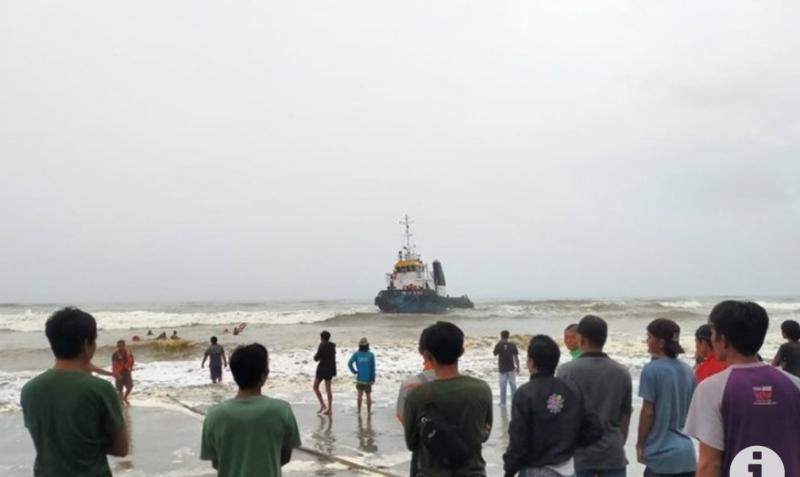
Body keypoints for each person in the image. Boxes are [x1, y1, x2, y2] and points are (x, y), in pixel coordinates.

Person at [685, 301, 800, 476]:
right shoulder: (794, 384)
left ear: (723, 339)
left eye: (713, 333)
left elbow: (709, 465)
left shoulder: (711, 389)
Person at [20, 307, 129, 476]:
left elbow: (46, 440)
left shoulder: (30, 390)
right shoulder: (100, 389)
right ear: (86, 344)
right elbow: (121, 449)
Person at [504, 335, 602, 477]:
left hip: (535, 469)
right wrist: (569, 444)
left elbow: (518, 440)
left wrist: (509, 471)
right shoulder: (572, 388)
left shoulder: (525, 393)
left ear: (531, 363)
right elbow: (594, 429)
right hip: (568, 468)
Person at [404, 321, 493, 476]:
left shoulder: (417, 395)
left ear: (427, 355)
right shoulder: (482, 390)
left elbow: (411, 443)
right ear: (462, 351)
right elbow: (484, 434)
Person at [201, 343, 301, 477]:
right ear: (264, 374)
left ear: (235, 374)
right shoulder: (282, 411)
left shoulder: (214, 416)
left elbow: (217, 463)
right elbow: (284, 457)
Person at [557, 315, 633, 477]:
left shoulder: (566, 372)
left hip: (580, 455)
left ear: (581, 339)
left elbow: (561, 415)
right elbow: (625, 415)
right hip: (613, 453)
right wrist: (619, 442)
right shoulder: (622, 372)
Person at [635, 319, 696, 477]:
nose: (647, 341)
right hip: (687, 454)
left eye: (649, 337)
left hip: (661, 453)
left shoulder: (651, 370)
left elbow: (648, 412)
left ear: (660, 342)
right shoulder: (688, 371)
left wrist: (640, 444)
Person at [396, 333, 437, 477]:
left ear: (422, 352)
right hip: (462, 459)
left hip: (423, 453)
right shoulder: (477, 389)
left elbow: (402, 417)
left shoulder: (410, 385)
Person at [347, 337, 376, 414]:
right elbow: (373, 368)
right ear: (367, 345)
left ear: (359, 346)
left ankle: (359, 411)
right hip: (368, 379)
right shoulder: (371, 355)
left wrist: (354, 371)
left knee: (359, 395)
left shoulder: (356, 354)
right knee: (368, 395)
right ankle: (369, 411)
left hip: (360, 378)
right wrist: (373, 378)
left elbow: (349, 363)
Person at [313, 330, 337, 415]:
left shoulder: (322, 345)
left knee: (315, 387)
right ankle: (329, 409)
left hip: (322, 369)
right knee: (328, 390)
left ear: (322, 338)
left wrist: (317, 357)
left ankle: (323, 405)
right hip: (330, 369)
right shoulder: (332, 346)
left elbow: (316, 358)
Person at [494, 330, 520, 405]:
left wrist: (499, 343)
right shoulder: (512, 345)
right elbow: (516, 357)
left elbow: (495, 353)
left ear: (501, 336)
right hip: (511, 368)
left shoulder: (499, 345)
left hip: (502, 368)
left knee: (502, 386)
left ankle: (503, 402)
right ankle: (514, 402)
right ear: (508, 336)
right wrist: (518, 367)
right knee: (513, 385)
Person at [112, 339, 135, 405]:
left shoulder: (129, 353)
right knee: (120, 389)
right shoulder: (115, 354)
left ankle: (125, 398)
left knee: (130, 386)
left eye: (122, 345)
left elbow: (132, 360)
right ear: (117, 346)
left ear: (124, 345)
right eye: (119, 346)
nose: (120, 347)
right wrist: (115, 373)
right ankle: (121, 402)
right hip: (119, 373)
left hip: (127, 372)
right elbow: (113, 364)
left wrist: (131, 368)